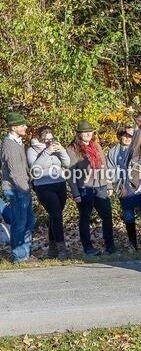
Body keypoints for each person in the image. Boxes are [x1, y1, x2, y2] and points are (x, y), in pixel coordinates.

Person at [108, 127, 141, 251]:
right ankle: (133, 244)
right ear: (119, 136)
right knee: (129, 217)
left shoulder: (139, 148)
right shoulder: (113, 152)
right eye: (124, 135)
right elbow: (109, 171)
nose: (127, 138)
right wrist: (117, 178)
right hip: (125, 189)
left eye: (130, 136)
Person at [67, 120, 115, 255]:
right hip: (84, 188)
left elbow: (104, 166)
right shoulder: (72, 149)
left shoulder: (96, 146)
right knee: (85, 218)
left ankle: (110, 246)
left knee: (107, 216)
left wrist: (109, 185)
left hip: (101, 186)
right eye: (84, 132)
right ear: (78, 134)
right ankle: (88, 247)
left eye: (90, 131)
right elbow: (71, 173)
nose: (88, 134)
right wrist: (75, 192)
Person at [27, 126, 70, 259]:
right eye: (46, 140)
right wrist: (46, 152)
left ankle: (52, 249)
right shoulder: (31, 150)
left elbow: (67, 163)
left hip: (60, 183)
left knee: (55, 215)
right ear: (39, 139)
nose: (49, 142)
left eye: (51, 139)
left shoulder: (55, 148)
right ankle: (62, 249)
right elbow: (34, 169)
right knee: (56, 214)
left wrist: (62, 150)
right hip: (43, 186)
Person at [2, 112, 36, 262]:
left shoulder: (17, 142)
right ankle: (19, 256)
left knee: (29, 221)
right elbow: (15, 173)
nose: (25, 127)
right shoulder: (9, 146)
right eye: (22, 125)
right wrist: (24, 189)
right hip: (17, 189)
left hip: (22, 188)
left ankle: (25, 253)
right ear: (14, 127)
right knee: (20, 223)